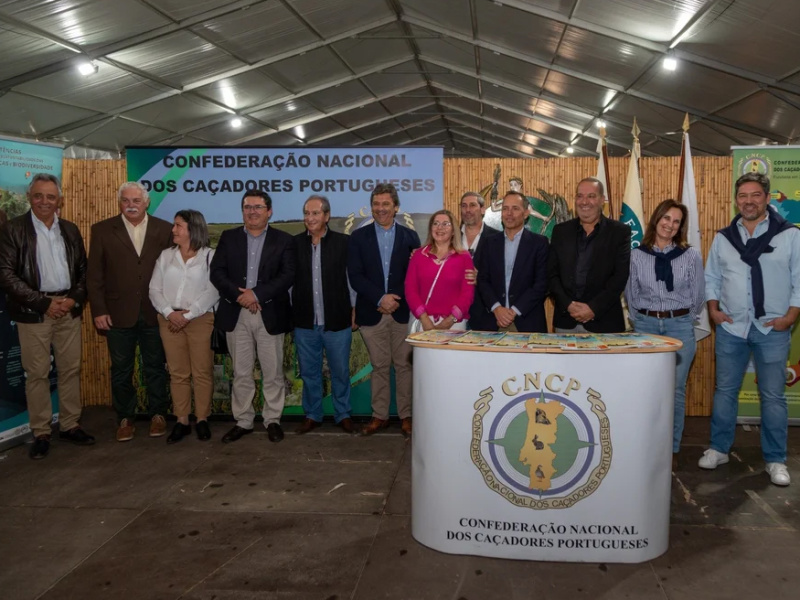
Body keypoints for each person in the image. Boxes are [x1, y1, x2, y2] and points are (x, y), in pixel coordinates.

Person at [698, 172, 800, 487]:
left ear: (767, 199)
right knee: (725, 391)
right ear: (736, 199)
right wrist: (713, 310)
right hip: (731, 327)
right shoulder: (724, 237)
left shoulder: (790, 235)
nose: (749, 201)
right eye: (743, 195)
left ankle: (775, 459)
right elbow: (711, 276)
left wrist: (790, 317)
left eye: (755, 195)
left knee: (772, 396)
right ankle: (719, 449)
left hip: (773, 326)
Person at [0, 174, 94, 459]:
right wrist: (43, 303)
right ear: (30, 197)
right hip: (34, 312)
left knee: (70, 369)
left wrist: (73, 299)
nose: (44, 201)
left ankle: (69, 425)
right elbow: (5, 274)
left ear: (59, 200)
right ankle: (41, 431)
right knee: (37, 374)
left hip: (68, 307)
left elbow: (83, 271)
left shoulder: (69, 229)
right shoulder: (13, 230)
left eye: (50, 197)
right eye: (39, 195)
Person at [87, 181, 173, 441]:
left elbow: (172, 272)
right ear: (119, 203)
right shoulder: (102, 230)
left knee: (155, 366)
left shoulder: (165, 229)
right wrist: (99, 310)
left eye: (136, 200)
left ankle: (158, 414)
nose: (131, 205)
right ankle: (125, 417)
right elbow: (94, 275)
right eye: (126, 200)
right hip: (116, 313)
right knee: (121, 369)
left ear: (147, 202)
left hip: (154, 311)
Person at [210, 189, 295, 444]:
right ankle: (244, 421)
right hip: (237, 314)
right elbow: (217, 272)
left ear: (269, 211)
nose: (252, 212)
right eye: (247, 207)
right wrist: (241, 297)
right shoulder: (229, 237)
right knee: (241, 372)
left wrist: (256, 295)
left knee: (273, 373)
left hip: (269, 313)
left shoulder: (284, 240)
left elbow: (288, 275)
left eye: (257, 207)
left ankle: (272, 420)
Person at [625, 199, 705, 461]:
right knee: (645, 388)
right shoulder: (637, 255)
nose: (670, 225)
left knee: (676, 390)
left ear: (681, 227)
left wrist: (681, 318)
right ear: (656, 219)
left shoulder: (690, 256)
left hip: (679, 327)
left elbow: (698, 295)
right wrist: (643, 321)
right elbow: (631, 294)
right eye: (666, 218)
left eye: (676, 221)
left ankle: (671, 448)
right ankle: (645, 444)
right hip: (646, 326)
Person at [348, 183, 420, 437]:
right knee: (379, 366)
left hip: (402, 312)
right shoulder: (358, 237)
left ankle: (407, 416)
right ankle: (379, 416)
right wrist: (380, 298)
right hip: (372, 311)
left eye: (385, 204)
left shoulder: (411, 237)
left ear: (396, 207)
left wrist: (394, 299)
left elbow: (415, 275)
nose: (380, 209)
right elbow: (355, 275)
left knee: (404, 366)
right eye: (376, 204)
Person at [149, 209, 219, 444]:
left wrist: (188, 315)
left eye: (178, 225)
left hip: (200, 320)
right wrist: (170, 313)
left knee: (202, 372)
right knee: (178, 373)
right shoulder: (165, 256)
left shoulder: (210, 256)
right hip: (169, 320)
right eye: (174, 225)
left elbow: (213, 290)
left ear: (193, 229)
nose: (173, 230)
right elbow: (154, 290)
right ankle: (181, 420)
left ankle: (201, 419)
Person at [292, 195, 356, 435]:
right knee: (309, 372)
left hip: (337, 320)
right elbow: (289, 283)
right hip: (305, 321)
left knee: (340, 371)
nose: (310, 218)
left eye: (315, 213)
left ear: (326, 216)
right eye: (306, 213)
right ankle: (312, 414)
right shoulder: (295, 244)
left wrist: (354, 308)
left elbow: (351, 280)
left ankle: (343, 414)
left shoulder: (343, 243)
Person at [548, 177, 631, 333]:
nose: (584, 201)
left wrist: (592, 308)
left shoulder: (619, 232)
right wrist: (568, 305)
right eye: (580, 196)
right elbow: (552, 274)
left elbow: (620, 277)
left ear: (602, 200)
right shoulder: (560, 231)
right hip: (565, 320)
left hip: (604, 321)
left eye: (591, 196)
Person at [476, 191, 549, 333]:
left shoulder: (539, 243)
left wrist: (514, 311)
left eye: (515, 208)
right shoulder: (489, 243)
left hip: (527, 322)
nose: (509, 213)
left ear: (526, 213)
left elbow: (542, 284)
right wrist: (496, 308)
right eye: (505, 208)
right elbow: (483, 280)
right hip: (493, 322)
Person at [406, 210, 475, 332]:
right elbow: (410, 289)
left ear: (453, 230)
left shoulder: (464, 257)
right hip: (423, 323)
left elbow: (467, 294)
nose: (440, 227)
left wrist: (450, 320)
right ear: (430, 228)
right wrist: (425, 319)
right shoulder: (418, 256)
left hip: (454, 324)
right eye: (436, 223)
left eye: (445, 224)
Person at [460, 191, 501, 330]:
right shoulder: (450, 237)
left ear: (483, 209)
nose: (468, 210)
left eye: (472, 205)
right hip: (453, 315)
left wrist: (483, 277)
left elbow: (505, 275)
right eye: (464, 206)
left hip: (487, 315)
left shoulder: (498, 238)